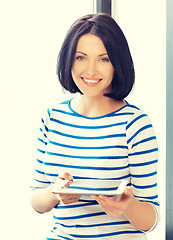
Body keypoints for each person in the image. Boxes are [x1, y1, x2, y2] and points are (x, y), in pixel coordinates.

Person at [30, 13, 160, 240]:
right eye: (81, 57)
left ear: (117, 64)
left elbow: (151, 219)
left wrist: (127, 206)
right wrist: (55, 193)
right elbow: (36, 199)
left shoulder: (135, 124)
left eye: (103, 59)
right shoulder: (52, 116)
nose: (90, 70)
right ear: (69, 59)